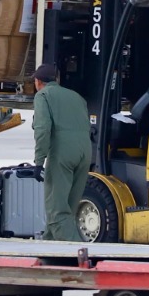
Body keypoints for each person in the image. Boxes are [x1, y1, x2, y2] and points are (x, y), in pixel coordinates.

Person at [31, 63, 92, 242]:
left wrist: (38, 161)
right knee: (68, 211)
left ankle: (78, 252)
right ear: (56, 80)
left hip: (62, 153)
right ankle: (49, 249)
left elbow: (42, 129)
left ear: (38, 82)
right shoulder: (77, 97)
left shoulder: (43, 96)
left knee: (57, 211)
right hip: (85, 153)